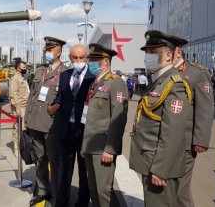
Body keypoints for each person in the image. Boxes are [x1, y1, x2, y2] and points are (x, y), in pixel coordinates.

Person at [129, 30, 193, 206]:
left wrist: (161, 169)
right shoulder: (157, 82)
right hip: (150, 161)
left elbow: (173, 133)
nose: (148, 56)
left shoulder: (174, 86)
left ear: (168, 56)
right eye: (147, 52)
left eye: (153, 52)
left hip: (158, 165)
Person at [80, 44, 129, 207]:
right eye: (91, 59)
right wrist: (84, 145)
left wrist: (110, 148)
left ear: (106, 62)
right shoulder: (94, 83)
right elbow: (89, 118)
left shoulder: (116, 83)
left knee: (104, 191)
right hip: (90, 145)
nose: (90, 63)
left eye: (95, 60)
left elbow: (118, 118)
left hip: (103, 147)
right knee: (94, 190)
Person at [47, 44, 95, 207]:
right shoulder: (65, 75)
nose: (79, 61)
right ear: (70, 58)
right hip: (65, 130)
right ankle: (61, 203)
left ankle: (82, 203)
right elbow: (60, 98)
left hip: (84, 131)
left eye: (82, 58)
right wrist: (52, 106)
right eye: (75, 58)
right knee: (63, 172)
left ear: (87, 57)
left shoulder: (93, 77)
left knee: (84, 172)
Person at [26, 36, 68, 206]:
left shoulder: (65, 73)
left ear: (59, 52)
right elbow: (32, 96)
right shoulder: (39, 71)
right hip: (35, 122)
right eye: (46, 50)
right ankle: (43, 190)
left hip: (52, 125)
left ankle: (57, 193)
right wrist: (26, 119)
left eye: (50, 50)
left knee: (55, 161)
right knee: (40, 159)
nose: (47, 53)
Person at [173, 39, 215, 207]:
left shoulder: (196, 72)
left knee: (179, 191)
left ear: (178, 51)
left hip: (185, 140)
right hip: (166, 140)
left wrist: (200, 139)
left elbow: (205, 107)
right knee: (167, 188)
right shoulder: (163, 73)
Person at [9, 60, 30, 156]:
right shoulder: (15, 79)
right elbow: (13, 94)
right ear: (18, 68)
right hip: (19, 107)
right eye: (24, 68)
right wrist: (17, 107)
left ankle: (23, 146)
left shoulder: (23, 78)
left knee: (24, 128)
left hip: (26, 106)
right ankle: (16, 148)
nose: (25, 69)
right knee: (17, 128)